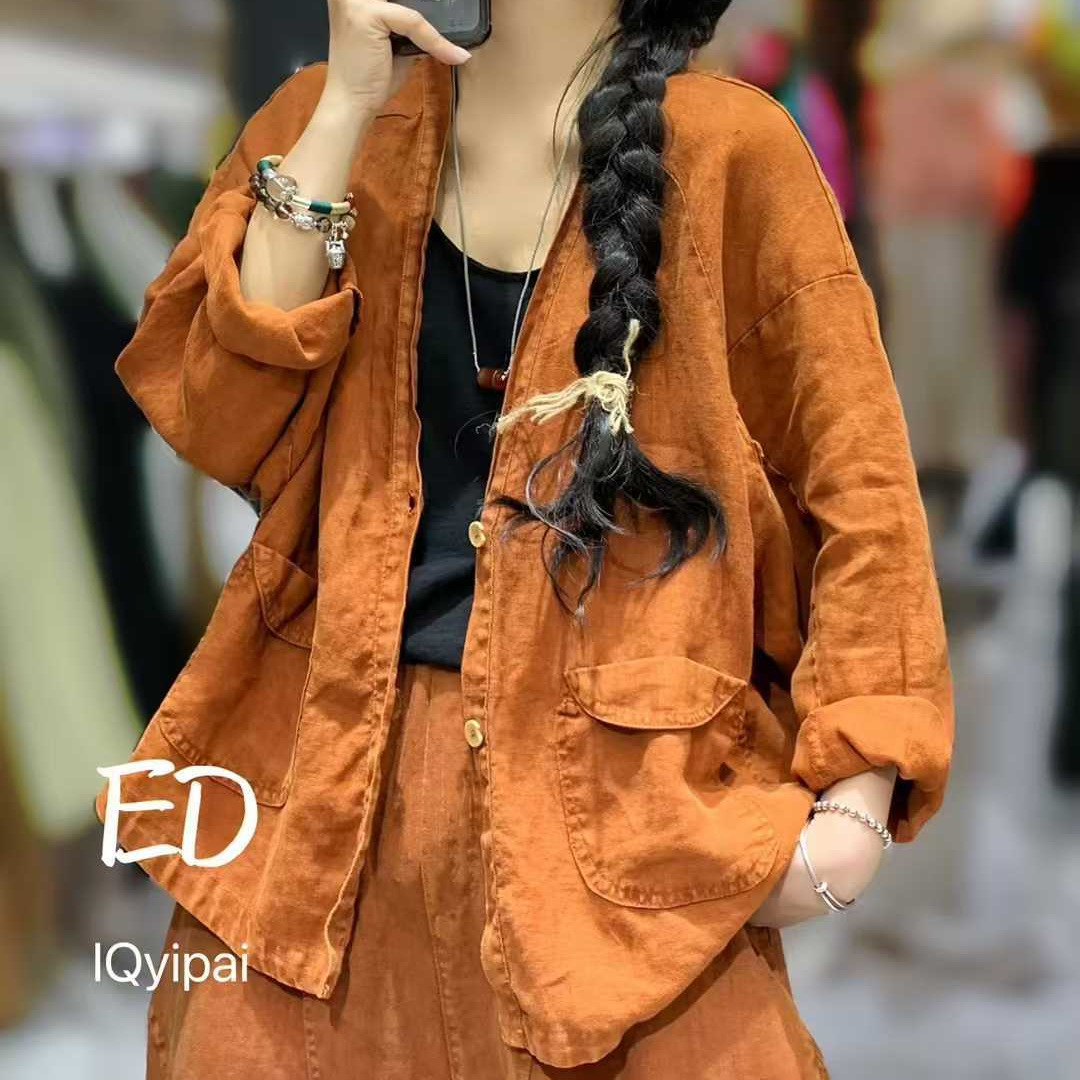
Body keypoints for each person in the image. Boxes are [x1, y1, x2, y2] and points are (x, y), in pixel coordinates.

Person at [96, 1, 955, 1076]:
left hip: (624, 844)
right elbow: (219, 415)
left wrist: (852, 816)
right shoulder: (324, 122)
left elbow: (860, 487)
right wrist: (345, 105)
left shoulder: (733, 152)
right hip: (315, 827)